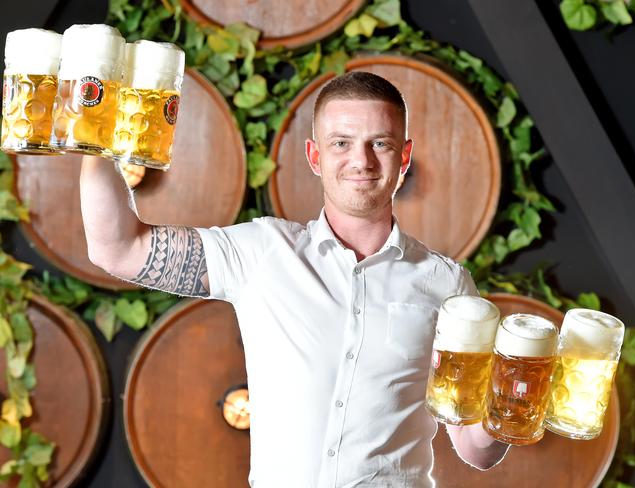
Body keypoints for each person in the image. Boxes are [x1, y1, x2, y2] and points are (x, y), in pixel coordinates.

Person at [80, 71, 509, 487]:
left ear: (404, 156)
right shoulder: (263, 251)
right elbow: (118, 249)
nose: (361, 160)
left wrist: (511, 400)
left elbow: (477, 450)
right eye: (341, 143)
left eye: (380, 143)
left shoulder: (446, 285)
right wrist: (94, 138)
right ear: (315, 157)